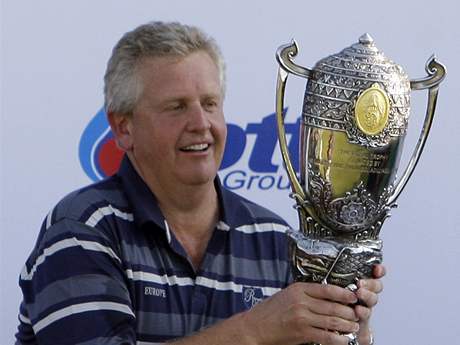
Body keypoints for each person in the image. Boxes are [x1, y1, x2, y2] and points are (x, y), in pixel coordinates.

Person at [16, 21, 384, 345]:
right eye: (176, 107)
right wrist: (254, 331)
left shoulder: (274, 238)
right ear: (123, 128)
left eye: (210, 104)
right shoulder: (82, 229)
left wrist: (349, 329)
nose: (200, 124)